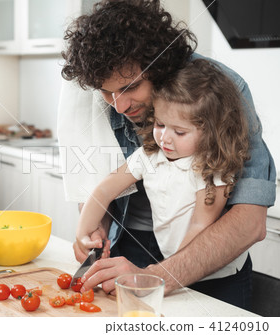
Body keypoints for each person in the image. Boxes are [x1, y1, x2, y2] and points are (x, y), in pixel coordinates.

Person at [58, 0, 276, 309]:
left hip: (210, 262)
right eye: (107, 92)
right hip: (129, 246)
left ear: (160, 68)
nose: (119, 105)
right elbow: (99, 182)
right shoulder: (96, 92)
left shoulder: (221, 91)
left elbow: (250, 222)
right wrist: (93, 230)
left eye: (131, 87)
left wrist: (161, 275)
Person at [77, 59, 249, 267]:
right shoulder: (149, 155)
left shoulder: (213, 168)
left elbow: (200, 225)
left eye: (179, 132)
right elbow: (104, 191)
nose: (165, 138)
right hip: (171, 262)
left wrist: (165, 271)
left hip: (206, 269)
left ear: (211, 133)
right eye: (160, 124)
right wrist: (83, 233)